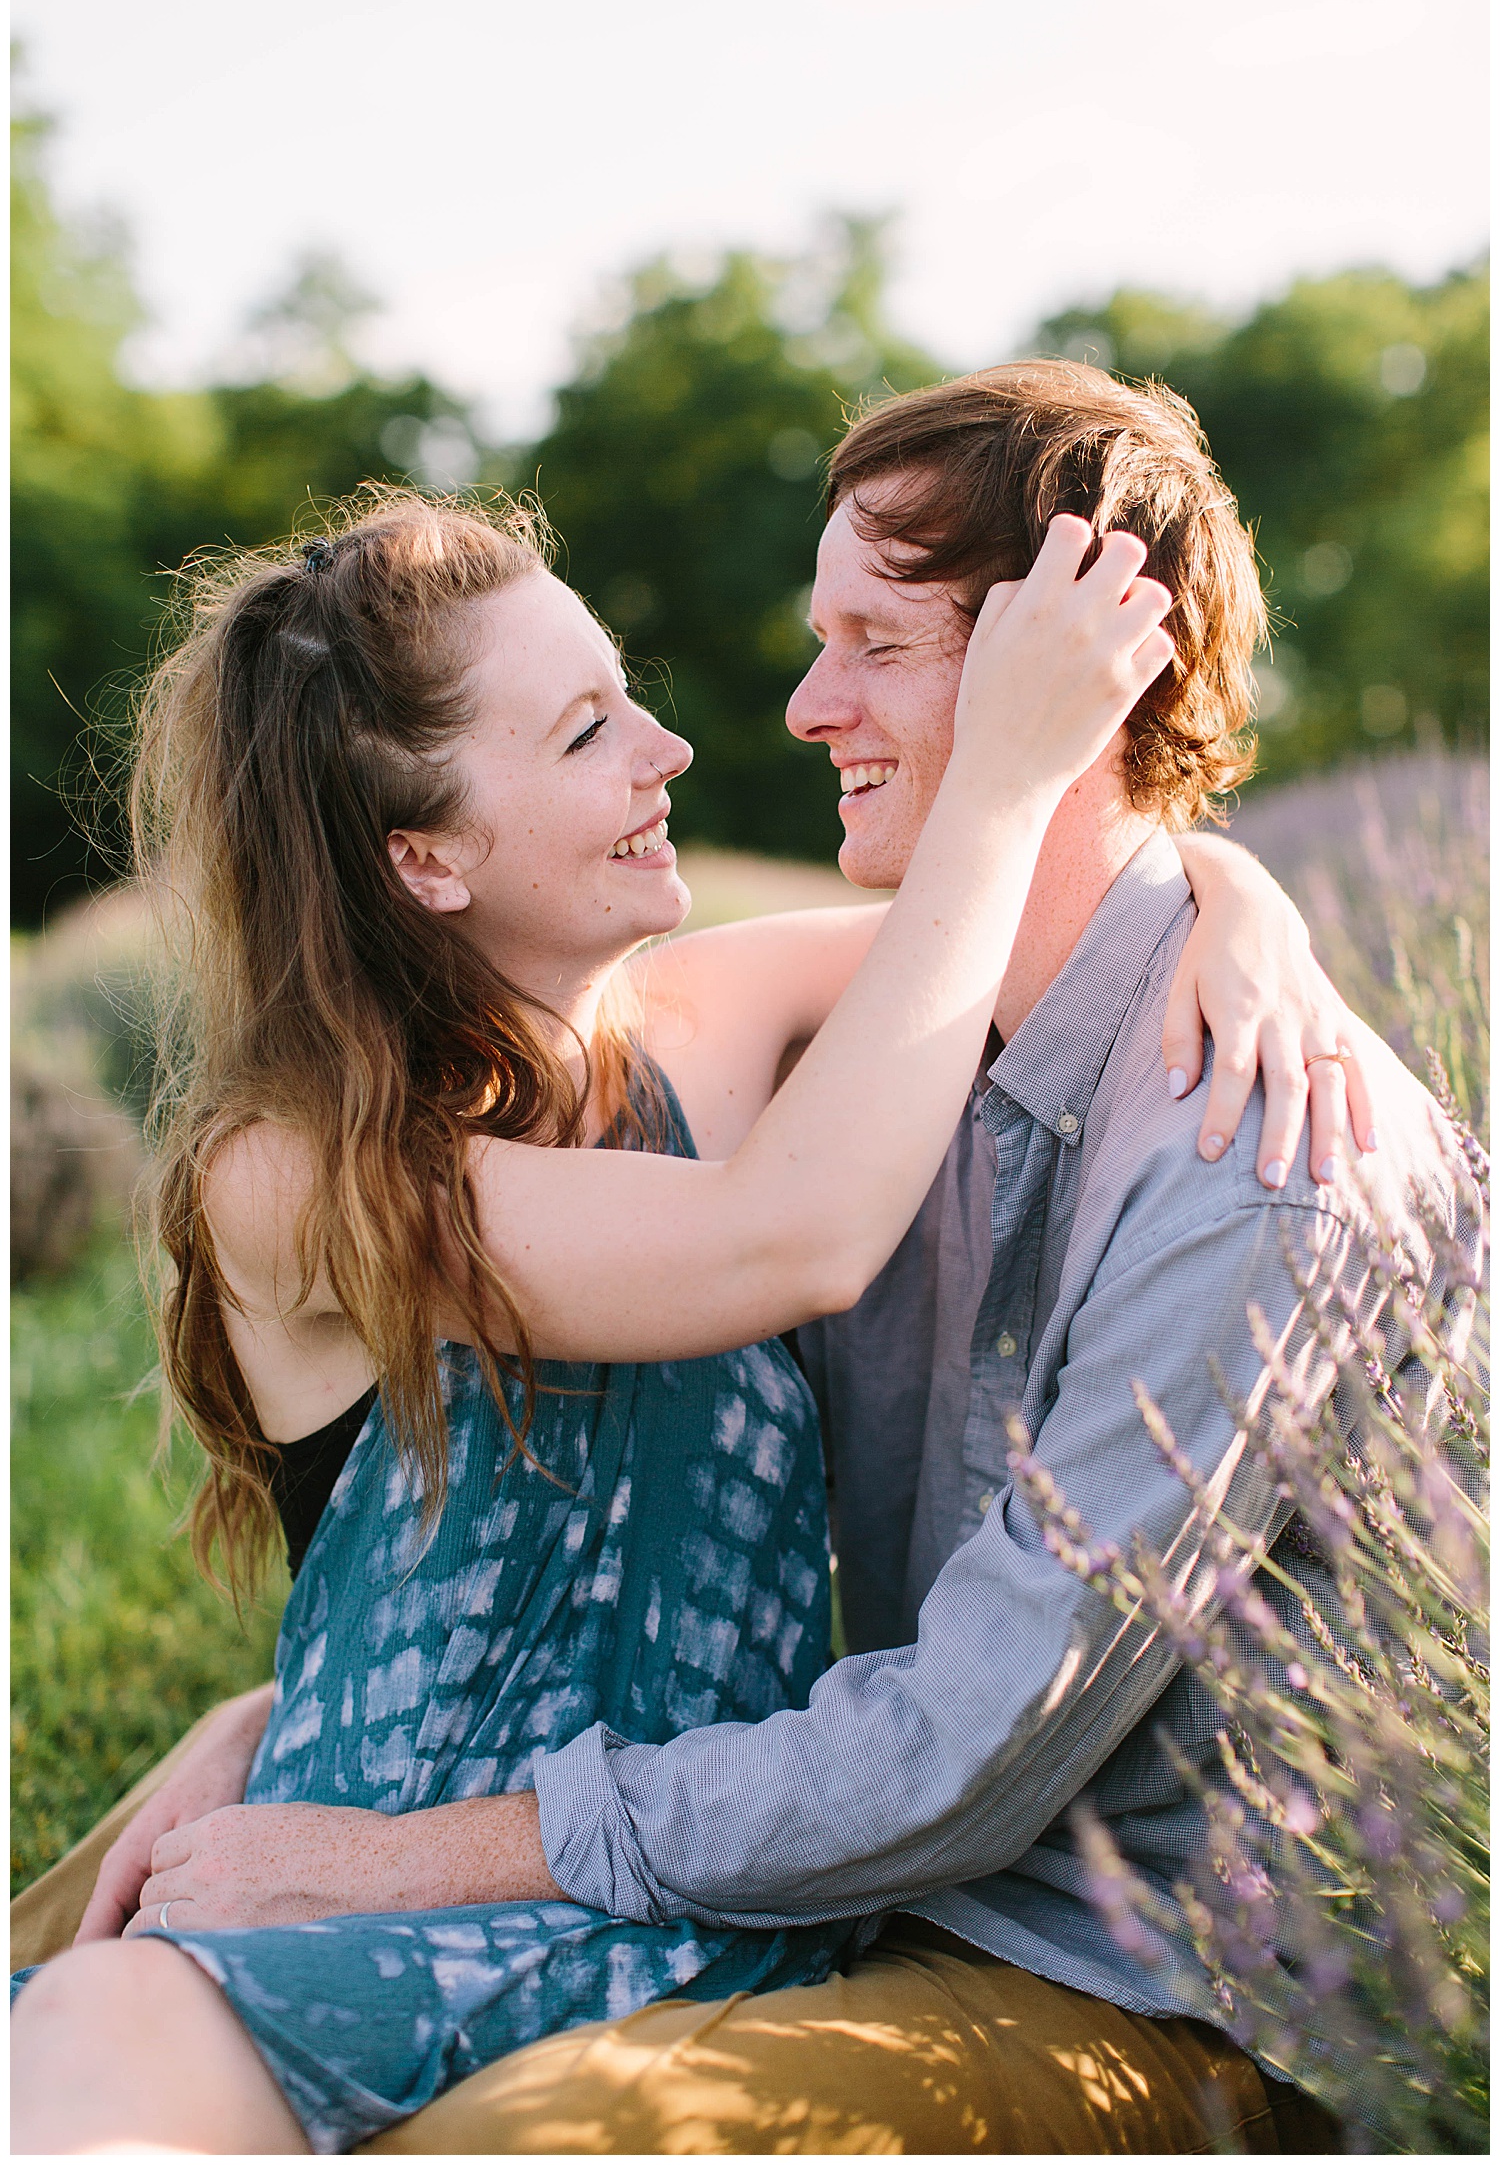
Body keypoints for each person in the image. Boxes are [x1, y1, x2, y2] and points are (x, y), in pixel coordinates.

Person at [11, 377, 1382, 2153]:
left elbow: (1060, 894)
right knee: (107, 2037)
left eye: (627, 696)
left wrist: (1239, 899)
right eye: (586, 732)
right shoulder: (296, 1177)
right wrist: (1014, 764)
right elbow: (788, 1237)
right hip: (349, 1908)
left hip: (699, 1925)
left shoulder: (720, 1020)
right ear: (422, 854)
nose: (669, 749)